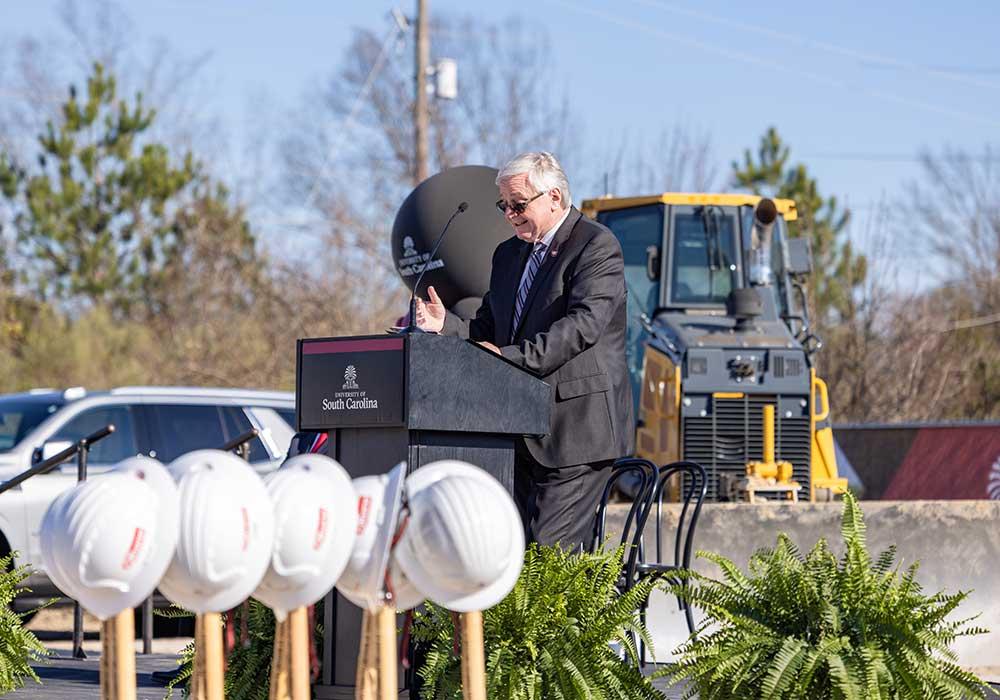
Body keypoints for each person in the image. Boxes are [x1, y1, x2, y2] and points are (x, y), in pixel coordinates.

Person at [414, 151, 634, 550]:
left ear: (554, 196)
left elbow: (582, 326)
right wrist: (444, 325)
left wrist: (509, 360)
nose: (510, 215)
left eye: (519, 204)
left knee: (548, 557)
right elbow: (488, 330)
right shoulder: (507, 255)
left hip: (575, 433)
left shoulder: (596, 246)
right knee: (508, 551)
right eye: (504, 206)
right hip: (517, 429)